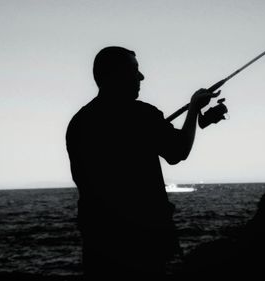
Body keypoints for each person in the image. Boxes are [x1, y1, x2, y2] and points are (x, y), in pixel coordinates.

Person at [66, 46, 220, 278]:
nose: (141, 76)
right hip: (143, 243)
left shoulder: (79, 123)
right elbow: (179, 150)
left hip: (99, 245)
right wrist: (194, 108)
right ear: (115, 74)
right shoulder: (142, 115)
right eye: (134, 70)